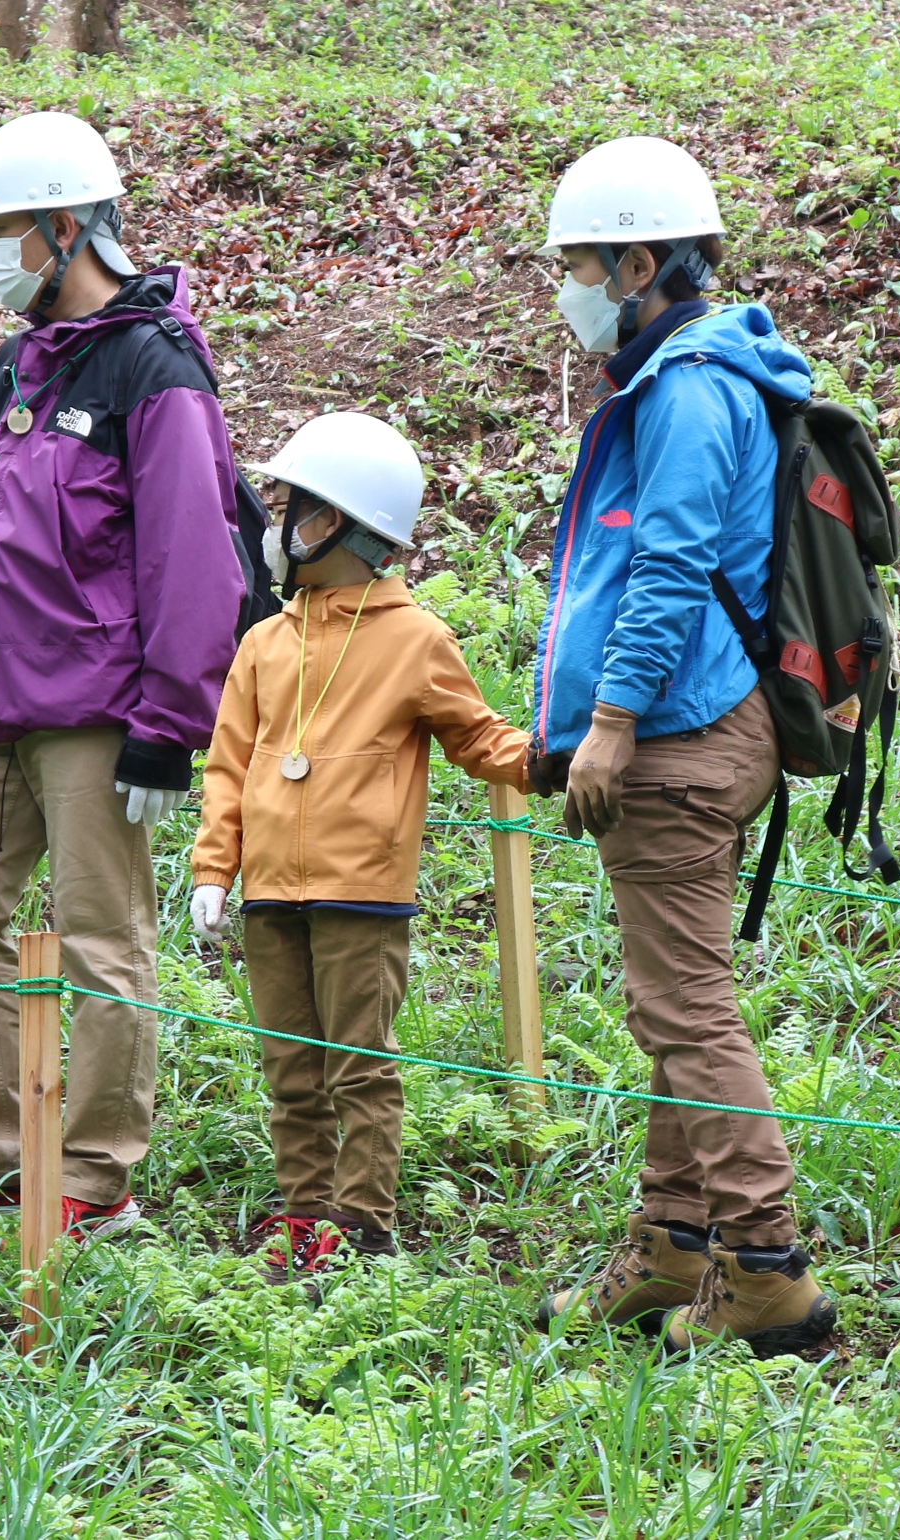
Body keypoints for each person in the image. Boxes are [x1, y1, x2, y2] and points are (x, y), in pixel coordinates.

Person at [0, 111, 247, 1236]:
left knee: (103, 943)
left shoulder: (154, 364)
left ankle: (93, 1180)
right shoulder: (20, 359)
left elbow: (193, 554)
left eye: (2, 231)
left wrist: (169, 722)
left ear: (64, 228)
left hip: (101, 713)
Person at [528, 137, 836, 1354]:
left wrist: (608, 719)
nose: (565, 290)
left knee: (685, 1007)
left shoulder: (693, 385)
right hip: (698, 720)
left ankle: (765, 1270)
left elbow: (664, 569)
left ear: (639, 260)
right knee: (671, 1000)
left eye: (579, 266)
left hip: (682, 727)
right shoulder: (685, 372)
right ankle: (670, 1244)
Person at [189, 413, 536, 1276]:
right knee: (290, 1066)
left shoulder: (416, 639)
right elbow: (228, 767)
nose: (274, 529)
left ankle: (365, 1222)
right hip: (271, 894)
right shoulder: (265, 643)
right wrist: (213, 869)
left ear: (335, 521)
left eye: (289, 508)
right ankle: (303, 1213)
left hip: (362, 896)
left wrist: (561, 761)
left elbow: (478, 736)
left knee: (359, 1066)